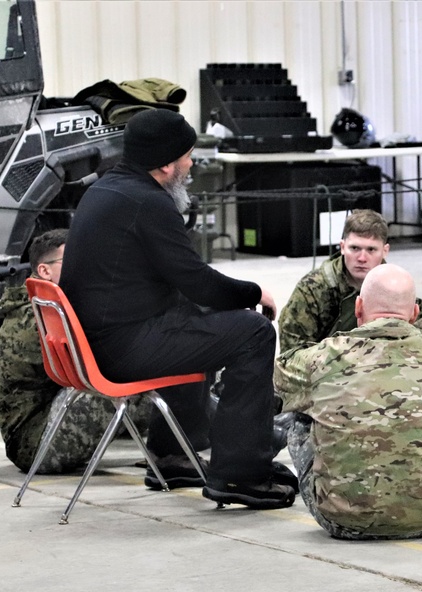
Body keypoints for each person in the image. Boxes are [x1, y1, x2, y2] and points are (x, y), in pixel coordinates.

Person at [59, 108, 296, 509]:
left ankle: (173, 456)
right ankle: (240, 475)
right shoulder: (147, 203)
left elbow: (185, 285)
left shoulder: (107, 190)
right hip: (120, 350)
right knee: (253, 332)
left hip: (95, 343)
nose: (191, 164)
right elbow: (198, 280)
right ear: (167, 164)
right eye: (187, 155)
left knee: (195, 316)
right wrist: (254, 292)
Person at [274, 264, 422, 539]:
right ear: (415, 314)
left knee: (301, 411)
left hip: (340, 520)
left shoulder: (320, 359)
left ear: (358, 308)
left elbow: (279, 381)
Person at [0, 230, 151, 474]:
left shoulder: (40, 302)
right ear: (45, 271)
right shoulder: (40, 316)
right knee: (143, 374)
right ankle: (174, 454)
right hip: (38, 447)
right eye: (76, 261)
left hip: (37, 432)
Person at [277, 209, 422, 358]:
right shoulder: (313, 289)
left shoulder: (395, 285)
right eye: (355, 248)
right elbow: (291, 355)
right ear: (343, 247)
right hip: (329, 375)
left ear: (385, 251)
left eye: (371, 250)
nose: (362, 258)